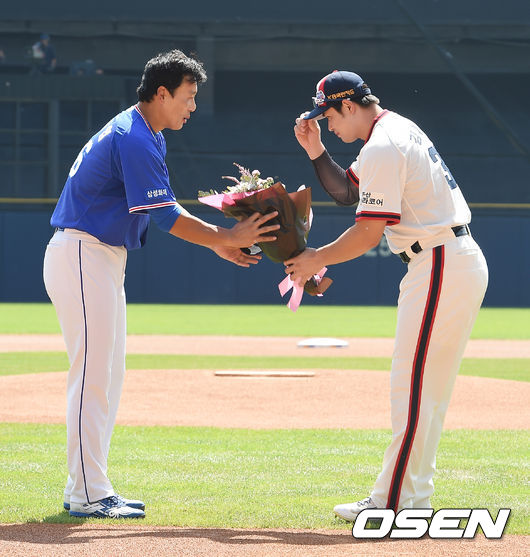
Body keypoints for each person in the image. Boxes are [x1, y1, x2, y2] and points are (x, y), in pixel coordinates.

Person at [43, 49, 279, 519]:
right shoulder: (133, 136)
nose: (192, 107)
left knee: (107, 375)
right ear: (162, 92)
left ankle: (88, 485)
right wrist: (224, 236)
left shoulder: (145, 133)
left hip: (99, 257)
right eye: (188, 97)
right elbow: (165, 214)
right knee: (93, 377)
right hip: (83, 254)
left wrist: (218, 242)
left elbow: (165, 207)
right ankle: (87, 492)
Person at [285, 70, 488, 521]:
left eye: (329, 115)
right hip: (446, 258)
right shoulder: (396, 129)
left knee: (413, 389)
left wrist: (317, 257)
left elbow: (366, 231)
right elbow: (348, 193)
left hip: (438, 261)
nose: (329, 125)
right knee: (424, 392)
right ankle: (411, 499)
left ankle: (394, 503)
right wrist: (315, 150)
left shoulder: (382, 145)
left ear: (349, 106)